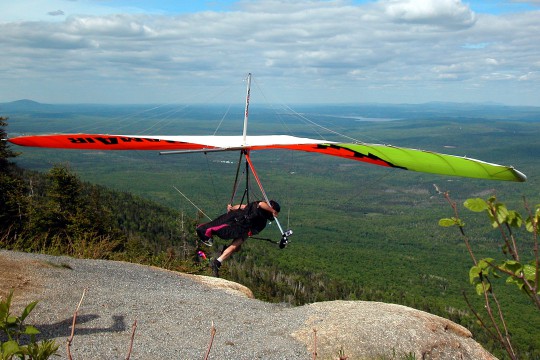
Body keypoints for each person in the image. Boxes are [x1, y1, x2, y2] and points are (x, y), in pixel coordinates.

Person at [196, 200, 280, 277]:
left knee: (235, 247)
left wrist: (232, 209)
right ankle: (216, 255)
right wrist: (232, 208)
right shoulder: (258, 209)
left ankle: (217, 262)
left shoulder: (259, 215)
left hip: (237, 228)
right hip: (234, 225)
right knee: (231, 242)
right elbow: (259, 204)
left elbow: (246, 206)